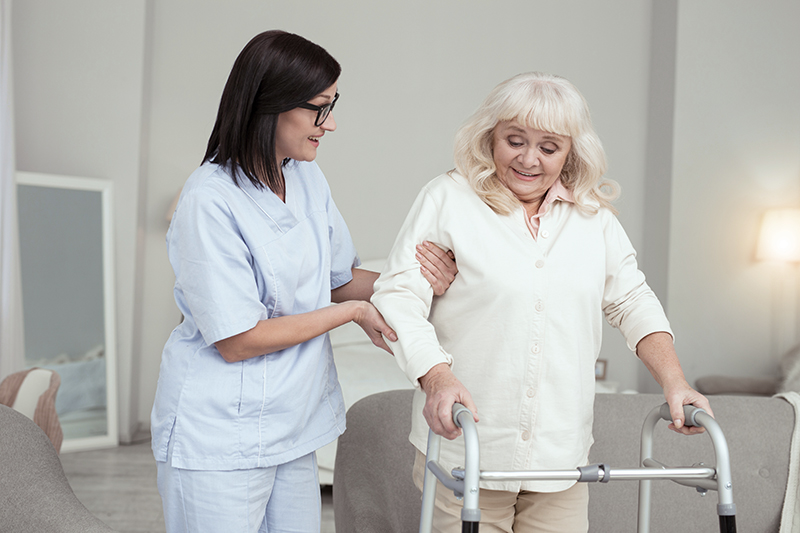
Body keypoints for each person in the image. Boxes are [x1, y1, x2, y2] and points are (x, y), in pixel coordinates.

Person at [370, 71, 712, 532]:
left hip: (560, 459)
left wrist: (675, 381)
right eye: (515, 140)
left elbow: (633, 301)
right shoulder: (449, 199)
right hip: (467, 449)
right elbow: (397, 294)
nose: (529, 159)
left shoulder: (594, 220)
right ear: (491, 137)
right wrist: (437, 376)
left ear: (571, 151)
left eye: (549, 147)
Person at [149, 30, 457, 533]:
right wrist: (355, 314)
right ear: (269, 107)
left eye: (332, 105)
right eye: (319, 108)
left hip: (292, 428)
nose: (330, 124)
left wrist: (418, 279)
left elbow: (334, 280)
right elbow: (237, 338)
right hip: (220, 434)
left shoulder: (307, 177)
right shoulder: (209, 200)